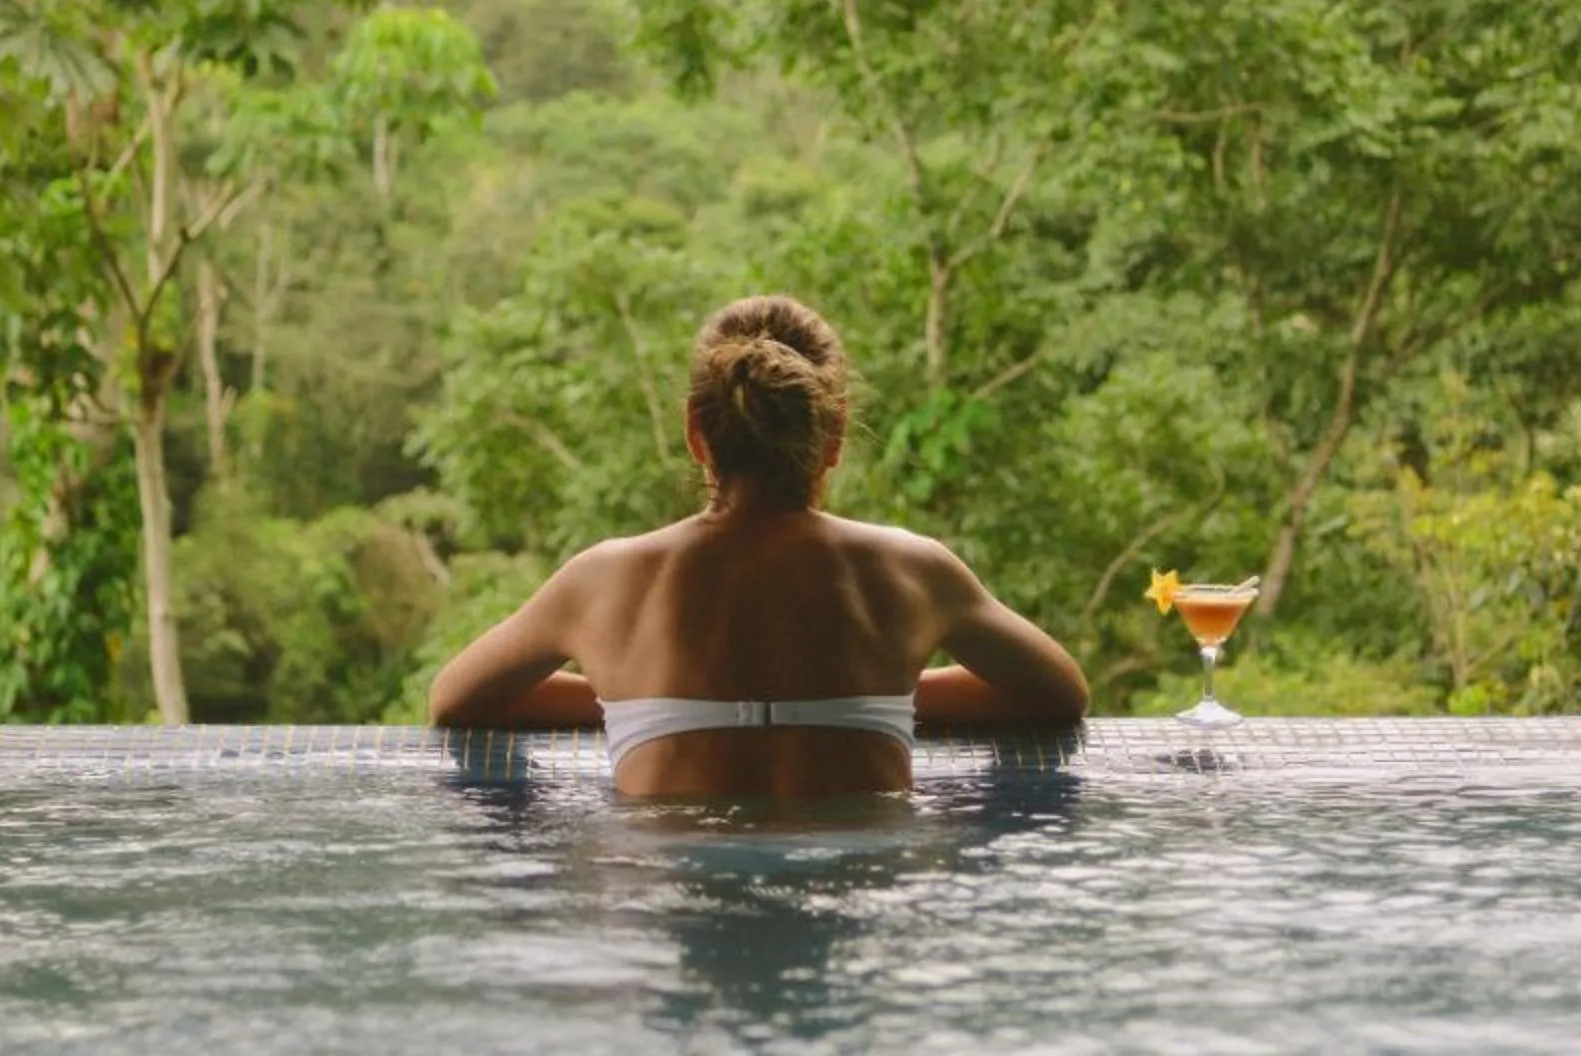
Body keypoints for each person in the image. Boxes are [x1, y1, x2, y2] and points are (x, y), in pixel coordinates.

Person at [427, 294, 1090, 798]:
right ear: (834, 439)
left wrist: (627, 697)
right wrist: (886, 696)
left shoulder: (604, 578)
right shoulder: (912, 572)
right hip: (855, 894)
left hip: (673, 897)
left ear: (695, 433)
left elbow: (455, 700)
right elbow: (1060, 694)